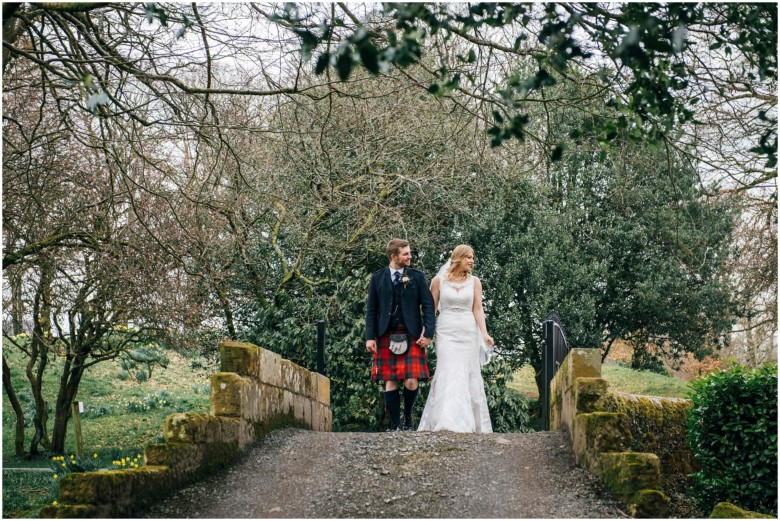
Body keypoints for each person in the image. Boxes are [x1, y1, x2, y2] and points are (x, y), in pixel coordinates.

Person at [417, 244, 494, 433]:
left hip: (468, 332)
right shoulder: (438, 281)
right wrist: (426, 333)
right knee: (449, 370)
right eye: (468, 257)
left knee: (467, 373)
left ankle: (469, 423)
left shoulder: (475, 282)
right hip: (446, 332)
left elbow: (477, 308)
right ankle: (445, 420)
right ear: (458, 258)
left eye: (473, 257)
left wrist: (484, 333)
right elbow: (431, 309)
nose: (472, 260)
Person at [365, 239, 435, 431]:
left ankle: (408, 418)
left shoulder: (417, 277)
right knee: (391, 379)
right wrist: (370, 337)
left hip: (411, 333)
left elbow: (428, 306)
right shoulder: (378, 278)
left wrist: (428, 333)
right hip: (386, 334)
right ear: (393, 256)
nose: (409, 256)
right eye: (405, 254)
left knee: (411, 380)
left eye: (409, 253)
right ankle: (395, 425)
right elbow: (371, 310)